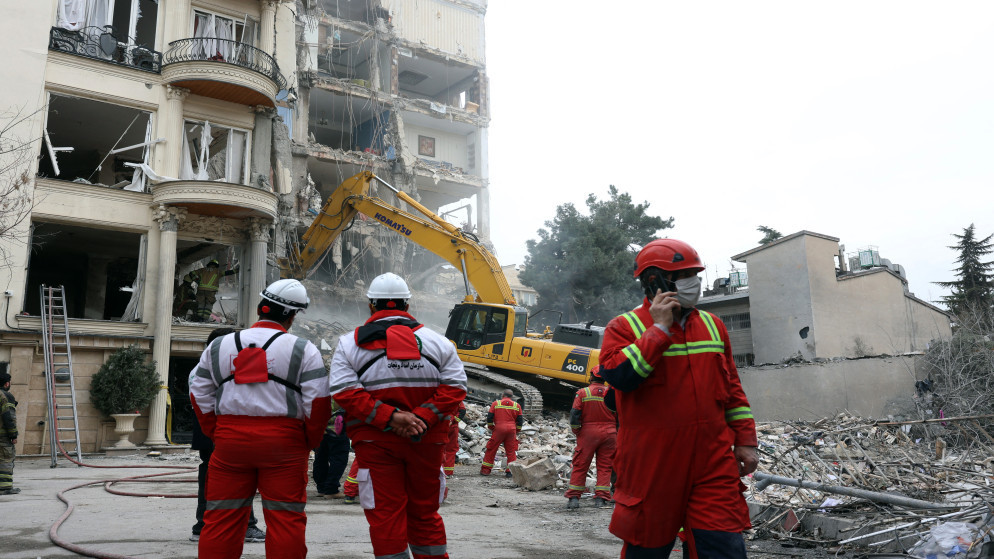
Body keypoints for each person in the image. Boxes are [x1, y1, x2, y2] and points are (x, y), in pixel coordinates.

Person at [598, 239, 758, 558]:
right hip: (652, 465)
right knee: (648, 549)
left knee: (723, 547)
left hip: (712, 461)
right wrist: (659, 330)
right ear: (654, 281)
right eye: (683, 275)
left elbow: (732, 391)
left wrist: (746, 440)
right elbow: (620, 377)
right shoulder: (624, 327)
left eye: (693, 274)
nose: (692, 282)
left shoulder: (713, 326)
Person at [189, 279, 331, 559]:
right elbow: (318, 403)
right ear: (292, 316)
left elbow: (199, 393)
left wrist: (217, 432)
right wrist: (308, 441)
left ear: (259, 308)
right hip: (285, 445)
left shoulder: (219, 345)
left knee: (220, 520)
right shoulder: (304, 348)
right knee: (286, 520)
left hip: (230, 443)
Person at [329, 272, 467, 559]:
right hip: (427, 442)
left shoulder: (348, 344)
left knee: (385, 515)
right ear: (407, 305)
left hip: (375, 443)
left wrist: (391, 418)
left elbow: (344, 391)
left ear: (371, 305)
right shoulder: (440, 343)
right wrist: (421, 418)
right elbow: (455, 388)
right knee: (425, 513)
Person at [189, 328, 265, 543]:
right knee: (240, 476)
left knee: (209, 476)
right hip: (221, 429)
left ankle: (202, 525)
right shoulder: (218, 368)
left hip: (207, 429)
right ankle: (247, 526)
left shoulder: (201, 368)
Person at [565, 365, 616, 510]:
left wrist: (577, 431)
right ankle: (601, 499)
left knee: (581, 465)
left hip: (588, 432)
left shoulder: (583, 392)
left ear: (592, 376)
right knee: (605, 466)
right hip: (610, 432)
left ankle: (574, 499)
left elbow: (575, 414)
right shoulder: (612, 393)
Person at [480, 389, 523, 477]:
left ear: (503, 395)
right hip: (511, 430)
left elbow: (489, 418)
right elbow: (520, 421)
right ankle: (510, 472)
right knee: (511, 451)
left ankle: (485, 470)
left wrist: (491, 427)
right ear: (512, 397)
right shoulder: (517, 405)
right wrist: (516, 430)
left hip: (499, 429)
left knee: (491, 449)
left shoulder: (496, 404)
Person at [312, 402, 350, 498]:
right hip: (336, 421)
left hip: (319, 423)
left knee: (320, 457)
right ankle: (331, 490)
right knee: (339, 457)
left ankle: (322, 488)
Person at [0, 364, 18, 496]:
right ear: (7, 383)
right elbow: (8, 417)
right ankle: (5, 487)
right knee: (6, 459)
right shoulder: (6, 396)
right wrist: (13, 434)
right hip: (3, 436)